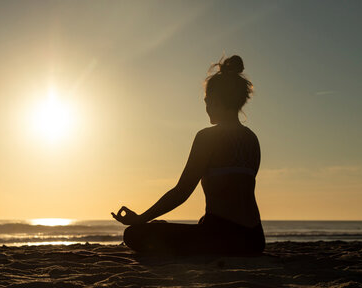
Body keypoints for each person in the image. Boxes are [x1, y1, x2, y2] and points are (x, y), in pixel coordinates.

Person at [112, 55, 265, 256]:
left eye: (207, 101)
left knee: (134, 234)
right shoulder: (251, 139)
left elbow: (181, 192)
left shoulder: (207, 137)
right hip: (254, 240)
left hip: (223, 237)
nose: (206, 107)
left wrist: (141, 218)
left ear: (216, 101)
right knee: (175, 227)